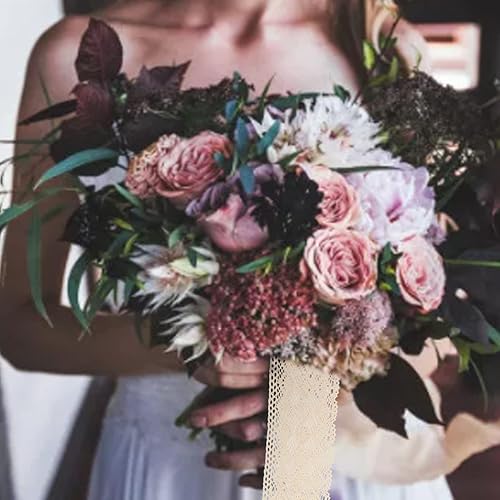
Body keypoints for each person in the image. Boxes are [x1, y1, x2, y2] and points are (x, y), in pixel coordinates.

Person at [0, 0, 482, 498]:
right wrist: (187, 346)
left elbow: (432, 317)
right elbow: (16, 327)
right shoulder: (75, 55)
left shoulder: (382, 43)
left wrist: (313, 403)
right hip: (173, 469)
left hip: (346, 461)